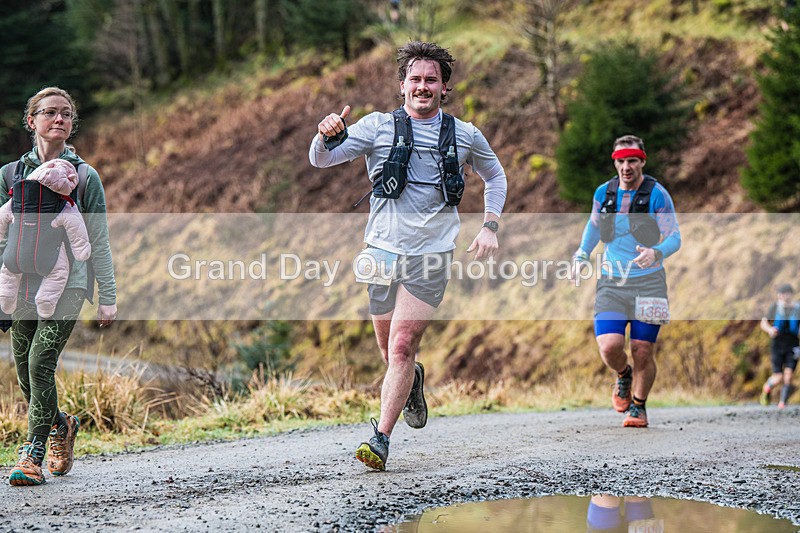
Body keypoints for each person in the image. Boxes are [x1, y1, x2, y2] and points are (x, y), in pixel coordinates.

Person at [309, 41, 507, 470]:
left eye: (431, 80)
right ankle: (412, 380)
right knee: (390, 353)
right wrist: (324, 135)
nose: (423, 86)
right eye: (415, 79)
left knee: (401, 345)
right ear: (402, 85)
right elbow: (320, 160)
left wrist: (490, 225)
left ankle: (380, 438)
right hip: (380, 252)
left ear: (444, 87)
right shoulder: (377, 127)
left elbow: (495, 175)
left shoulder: (465, 134)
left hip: (432, 255)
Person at [1, 87, 117, 486]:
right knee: (24, 372)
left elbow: (98, 240)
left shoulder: (85, 177)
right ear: (31, 121)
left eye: (66, 114)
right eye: (49, 113)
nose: (59, 119)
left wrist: (108, 297)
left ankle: (31, 453)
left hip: (69, 284)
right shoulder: (9, 175)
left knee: (39, 362)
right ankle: (61, 425)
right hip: (20, 286)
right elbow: (1, 238)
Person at [571, 135, 681, 428]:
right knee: (609, 346)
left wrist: (656, 252)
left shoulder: (657, 194)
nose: (626, 166)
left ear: (642, 160)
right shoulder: (604, 193)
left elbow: (674, 237)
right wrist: (581, 255)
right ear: (615, 162)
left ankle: (639, 406)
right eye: (621, 160)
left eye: (632, 160)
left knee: (643, 350)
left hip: (650, 283)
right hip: (612, 282)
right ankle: (623, 375)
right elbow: (594, 227)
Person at [759, 283, 798, 409]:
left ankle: (782, 403)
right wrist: (770, 330)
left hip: (793, 344)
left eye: (787, 293)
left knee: (789, 375)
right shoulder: (775, 308)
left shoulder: (797, 309)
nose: (785, 296)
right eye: (782, 294)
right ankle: (767, 388)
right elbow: (763, 323)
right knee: (778, 377)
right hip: (777, 344)